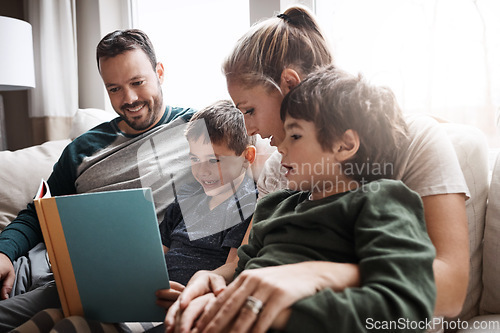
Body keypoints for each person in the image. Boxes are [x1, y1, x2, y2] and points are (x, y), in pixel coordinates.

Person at [165, 5, 469, 333]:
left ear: (290, 86)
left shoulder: (410, 149)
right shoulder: (279, 178)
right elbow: (245, 263)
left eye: (249, 110)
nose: (249, 128)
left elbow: (447, 293)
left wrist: (317, 275)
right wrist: (212, 280)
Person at [0, 29, 196, 332]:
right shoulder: (82, 150)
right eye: (114, 89)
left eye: (138, 83)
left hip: (137, 285)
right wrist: (4, 252)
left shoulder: (199, 132)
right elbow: (37, 213)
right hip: (57, 272)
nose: (129, 99)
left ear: (159, 72)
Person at [160, 100, 258, 286]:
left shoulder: (247, 202)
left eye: (214, 160)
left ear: (247, 157)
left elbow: (233, 267)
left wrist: (194, 288)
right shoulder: (187, 194)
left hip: (200, 293)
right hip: (158, 287)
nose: (202, 170)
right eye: (195, 159)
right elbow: (159, 250)